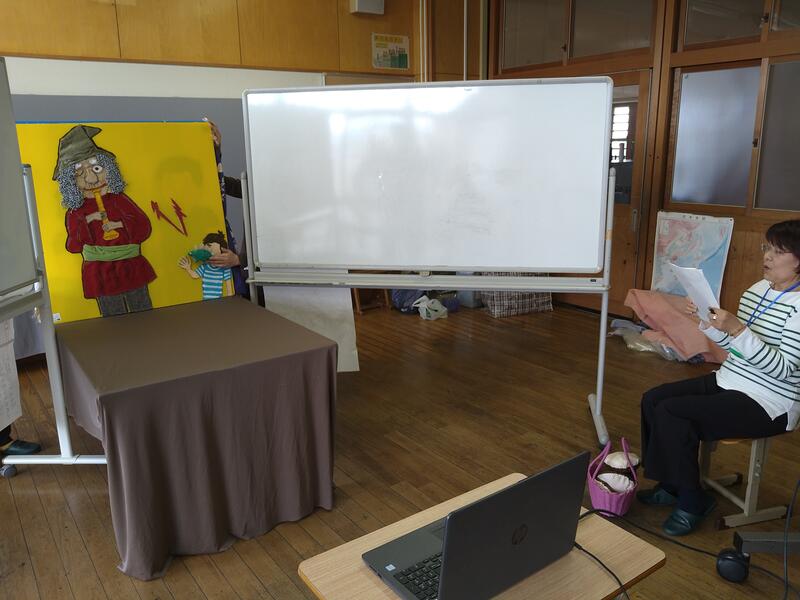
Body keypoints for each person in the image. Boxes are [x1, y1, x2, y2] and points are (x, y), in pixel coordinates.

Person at [638, 219, 800, 536]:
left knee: (673, 413)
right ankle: (671, 484)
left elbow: (782, 369)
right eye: (767, 247)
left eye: (779, 251)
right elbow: (735, 348)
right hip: (731, 379)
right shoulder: (757, 290)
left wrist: (737, 328)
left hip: (771, 401)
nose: (767, 256)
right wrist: (708, 321)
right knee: (653, 399)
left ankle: (692, 500)